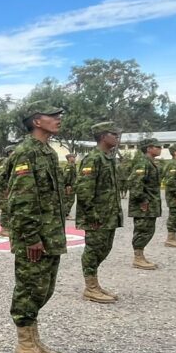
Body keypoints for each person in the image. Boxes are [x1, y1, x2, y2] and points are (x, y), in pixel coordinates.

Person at [6, 103, 68, 353]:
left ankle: (34, 338)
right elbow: (21, 199)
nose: (58, 119)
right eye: (52, 116)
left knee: (45, 287)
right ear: (37, 121)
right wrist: (30, 236)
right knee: (30, 287)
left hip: (49, 233)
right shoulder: (25, 153)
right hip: (34, 237)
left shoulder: (47, 152)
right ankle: (24, 344)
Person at [75, 121, 123, 303]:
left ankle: (95, 282)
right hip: (97, 216)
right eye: (114, 134)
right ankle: (90, 287)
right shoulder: (93, 158)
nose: (117, 138)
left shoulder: (108, 157)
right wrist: (92, 215)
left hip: (108, 215)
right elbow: (85, 190)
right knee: (93, 249)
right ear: (103, 136)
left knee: (105, 248)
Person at [127, 138, 163, 269]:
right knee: (142, 230)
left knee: (148, 230)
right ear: (148, 148)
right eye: (156, 146)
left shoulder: (150, 162)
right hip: (144, 204)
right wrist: (142, 200)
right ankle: (137, 258)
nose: (160, 148)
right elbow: (135, 183)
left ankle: (140, 256)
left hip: (150, 203)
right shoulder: (143, 162)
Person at [0, 144, 17, 237]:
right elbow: (0, 177)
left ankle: (10, 227)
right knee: (5, 208)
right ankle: (4, 229)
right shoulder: (6, 162)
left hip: (9, 188)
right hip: (5, 189)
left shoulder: (12, 161)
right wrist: (6, 187)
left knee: (11, 207)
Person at [61, 153, 77, 220]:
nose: (74, 158)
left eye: (74, 157)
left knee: (70, 200)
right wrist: (68, 185)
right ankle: (65, 214)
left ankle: (66, 214)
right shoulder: (69, 166)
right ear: (69, 158)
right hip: (69, 186)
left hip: (72, 185)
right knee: (69, 200)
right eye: (73, 157)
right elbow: (65, 176)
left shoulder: (73, 166)